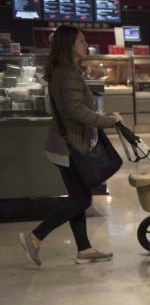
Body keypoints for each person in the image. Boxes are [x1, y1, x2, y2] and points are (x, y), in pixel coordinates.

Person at [19, 25, 123, 266]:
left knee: (80, 196)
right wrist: (109, 120)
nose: (85, 45)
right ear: (69, 45)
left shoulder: (62, 71)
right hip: (69, 147)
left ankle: (84, 249)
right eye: (81, 41)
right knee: (81, 200)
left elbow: (74, 108)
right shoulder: (68, 74)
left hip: (64, 144)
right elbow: (77, 111)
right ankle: (35, 236)